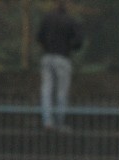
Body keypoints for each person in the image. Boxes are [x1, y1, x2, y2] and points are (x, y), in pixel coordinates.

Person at [37, 0, 83, 130]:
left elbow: (39, 37)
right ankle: (59, 121)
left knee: (46, 90)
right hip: (63, 58)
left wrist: (47, 45)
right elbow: (79, 41)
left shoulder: (47, 19)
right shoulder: (71, 21)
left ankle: (47, 121)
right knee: (61, 92)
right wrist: (69, 45)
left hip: (47, 56)